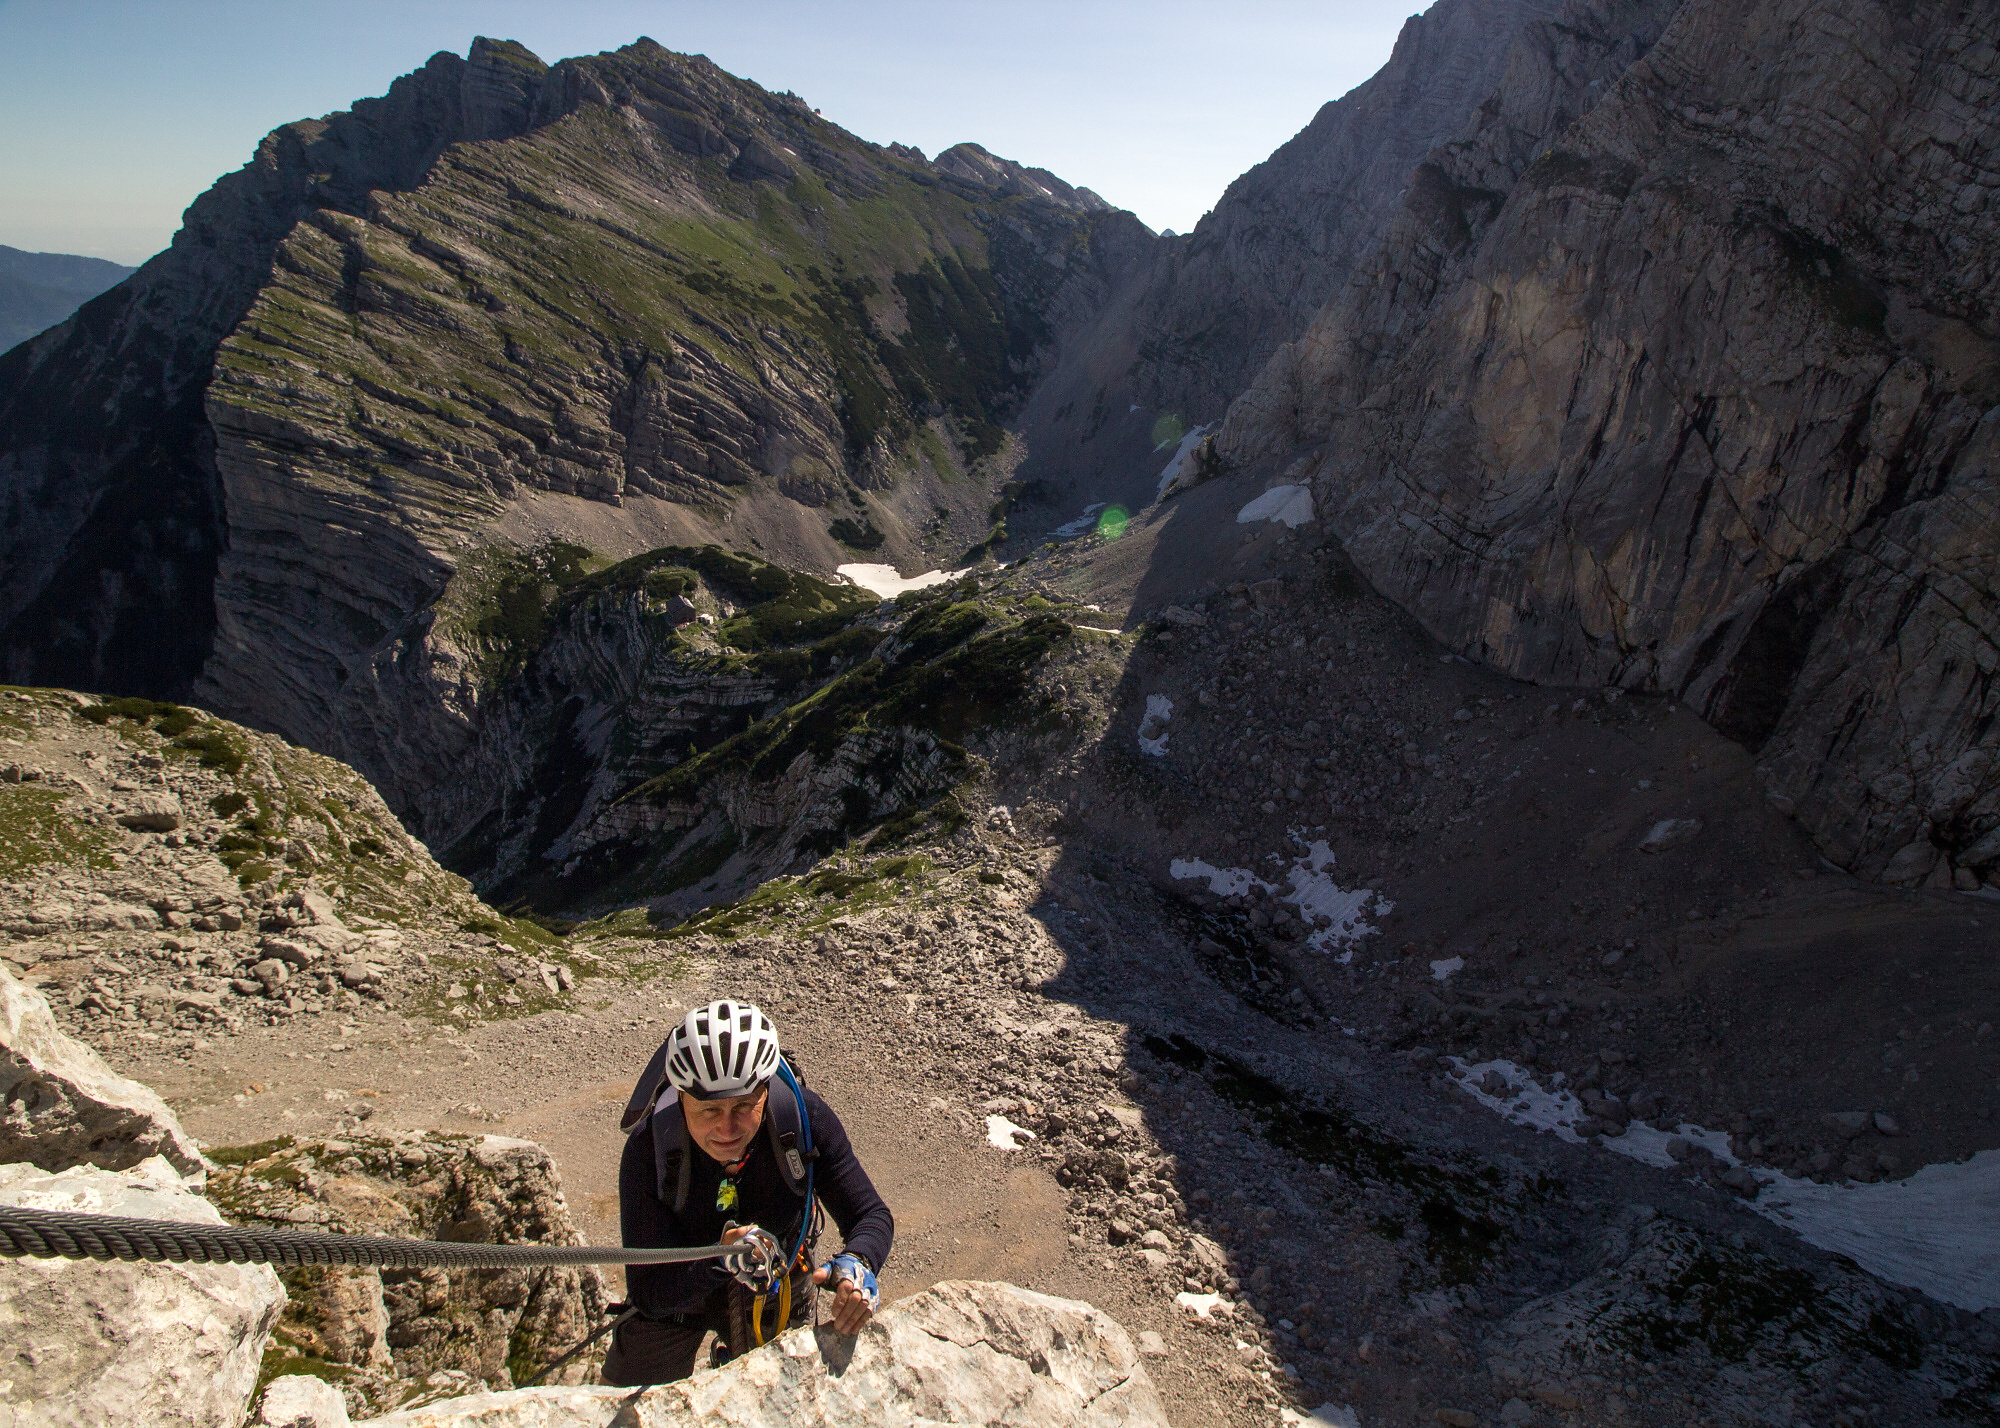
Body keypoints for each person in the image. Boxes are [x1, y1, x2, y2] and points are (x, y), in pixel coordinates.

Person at [601, 999, 894, 1386]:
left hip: (774, 1279)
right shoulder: (650, 1147)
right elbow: (652, 1293)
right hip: (679, 1291)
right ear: (681, 1096)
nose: (727, 1128)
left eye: (745, 1105)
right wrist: (721, 1260)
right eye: (708, 1111)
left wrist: (858, 1263)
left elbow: (870, 1215)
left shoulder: (802, 1117)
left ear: (767, 1091)